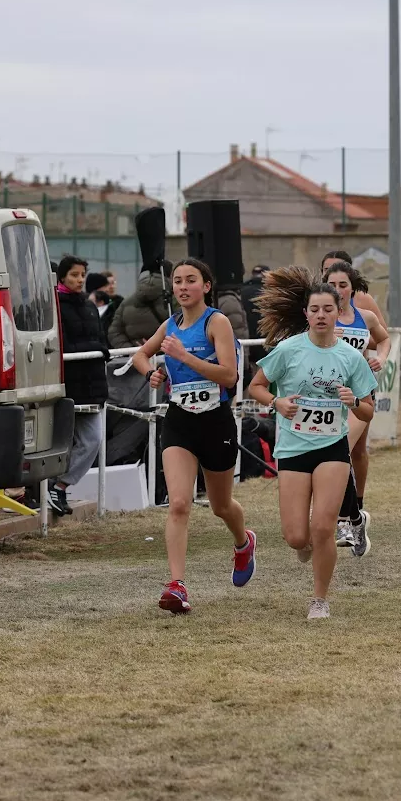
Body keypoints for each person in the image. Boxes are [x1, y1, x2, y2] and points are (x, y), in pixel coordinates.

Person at [247, 266, 377, 620]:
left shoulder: (351, 357)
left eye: (328, 309)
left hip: (331, 447)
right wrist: (276, 402)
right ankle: (303, 546)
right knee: (295, 536)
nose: (321, 315)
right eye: (315, 310)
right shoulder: (288, 350)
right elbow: (255, 386)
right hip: (292, 449)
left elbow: (368, 412)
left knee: (323, 527)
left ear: (339, 312)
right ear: (306, 313)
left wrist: (353, 402)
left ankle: (320, 599)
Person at [130, 258, 254, 614]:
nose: (183, 287)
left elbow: (229, 375)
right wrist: (151, 372)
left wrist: (184, 356)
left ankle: (243, 543)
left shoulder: (217, 322)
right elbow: (141, 354)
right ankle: (177, 585)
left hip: (215, 421)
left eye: (191, 280)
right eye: (178, 281)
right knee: (180, 503)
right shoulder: (169, 325)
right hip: (180, 421)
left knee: (220, 506)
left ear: (206, 285)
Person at [325, 261, 391, 556]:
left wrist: (381, 358)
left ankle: (344, 520)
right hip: (326, 398)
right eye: (332, 285)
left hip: (360, 397)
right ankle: (356, 516)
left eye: (343, 285)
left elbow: (385, 338)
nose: (338, 291)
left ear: (353, 288)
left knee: (342, 451)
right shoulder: (320, 317)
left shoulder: (365, 317)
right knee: (344, 454)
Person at [49, 256, 109, 516]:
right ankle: (44, 490)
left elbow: (101, 340)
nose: (79, 279)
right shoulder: (53, 306)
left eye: (82, 274)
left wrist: (101, 349)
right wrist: (96, 349)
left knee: (93, 440)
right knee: (58, 442)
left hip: (92, 386)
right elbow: (60, 346)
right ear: (62, 277)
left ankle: (59, 485)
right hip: (66, 386)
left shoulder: (89, 306)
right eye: (74, 275)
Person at [109, 261, 172, 349]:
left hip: (136, 357)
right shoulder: (174, 300)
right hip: (165, 355)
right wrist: (156, 348)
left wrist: (131, 349)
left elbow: (114, 332)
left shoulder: (126, 302)